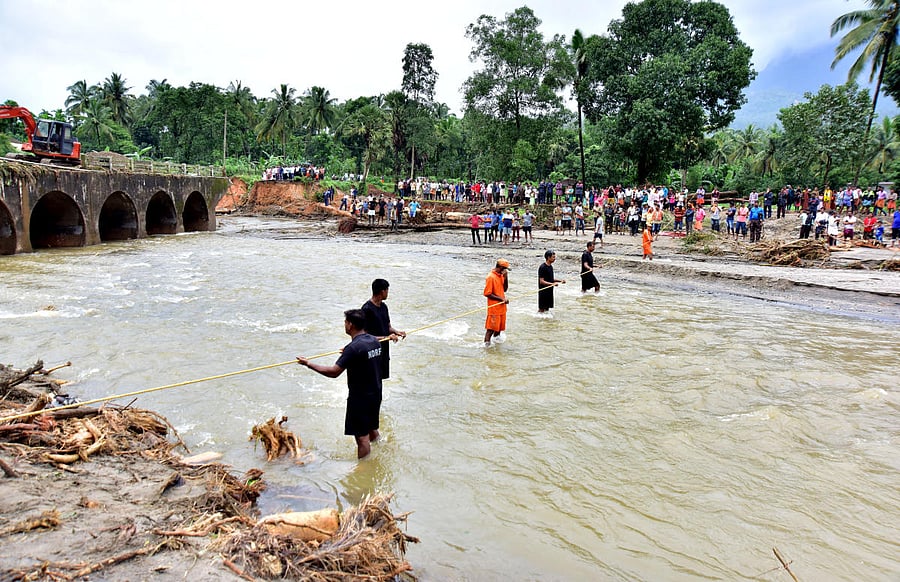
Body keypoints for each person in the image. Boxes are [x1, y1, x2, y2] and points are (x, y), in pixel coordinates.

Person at [296, 309, 383, 459]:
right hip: (375, 393)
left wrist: (308, 364)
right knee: (371, 428)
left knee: (361, 438)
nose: (344, 325)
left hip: (360, 398)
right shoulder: (374, 342)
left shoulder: (353, 348)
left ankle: (364, 469)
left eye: (345, 322)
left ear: (350, 325)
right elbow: (364, 357)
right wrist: (349, 353)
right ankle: (382, 451)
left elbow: (334, 372)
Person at [362, 279, 406, 380]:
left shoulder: (384, 307)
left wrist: (397, 332)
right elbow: (364, 336)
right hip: (372, 353)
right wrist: (387, 337)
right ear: (382, 291)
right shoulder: (366, 309)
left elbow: (388, 327)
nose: (387, 293)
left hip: (384, 352)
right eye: (387, 290)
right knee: (372, 381)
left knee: (380, 382)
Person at [484, 259, 510, 346]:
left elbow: (505, 289)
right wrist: (501, 299)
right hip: (494, 308)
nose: (505, 271)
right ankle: (486, 347)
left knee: (499, 329)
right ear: (501, 268)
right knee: (490, 329)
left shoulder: (501, 275)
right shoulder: (490, 277)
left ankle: (497, 344)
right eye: (505, 269)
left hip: (502, 308)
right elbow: (487, 293)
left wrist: (506, 278)